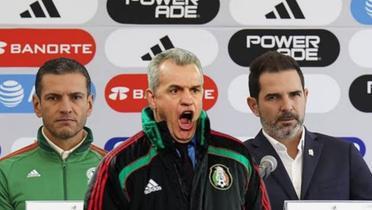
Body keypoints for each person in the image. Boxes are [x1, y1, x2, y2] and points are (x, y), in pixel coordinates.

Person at [84, 48, 271, 210]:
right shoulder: (121, 164)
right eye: (175, 90)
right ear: (152, 98)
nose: (188, 99)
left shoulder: (236, 156)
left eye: (195, 90)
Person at [244, 50, 372, 210]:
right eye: (273, 97)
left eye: (295, 94)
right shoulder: (240, 160)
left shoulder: (343, 154)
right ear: (254, 106)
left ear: (305, 96)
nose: (287, 106)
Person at [0, 57, 106, 210]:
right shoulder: (5, 172)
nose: (66, 108)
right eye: (53, 98)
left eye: (76, 97)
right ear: (37, 105)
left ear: (89, 105)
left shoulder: (115, 169)